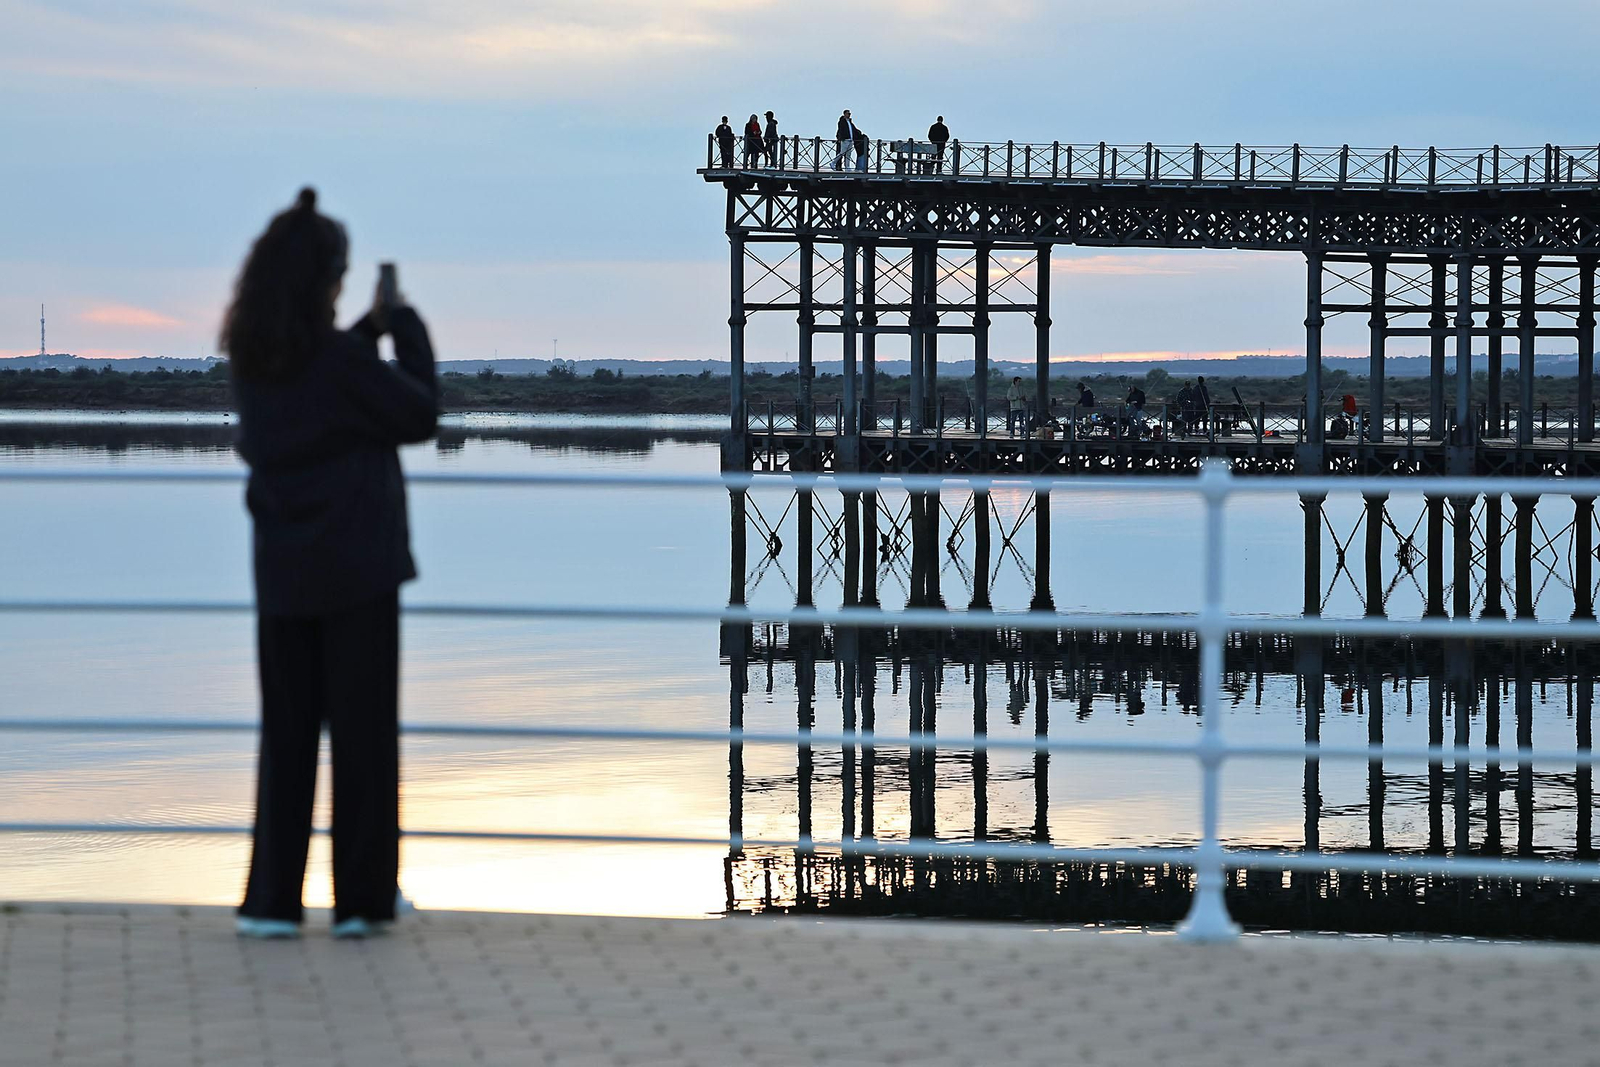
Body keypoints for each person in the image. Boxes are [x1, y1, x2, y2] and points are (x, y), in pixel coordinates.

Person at [224, 187, 439, 940]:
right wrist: (403, 325)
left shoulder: (257, 360)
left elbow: (326, 376)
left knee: (286, 737)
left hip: (281, 571)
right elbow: (418, 412)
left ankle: (273, 900)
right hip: (359, 568)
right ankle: (361, 899)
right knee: (363, 736)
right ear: (326, 278)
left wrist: (359, 334)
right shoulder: (341, 365)